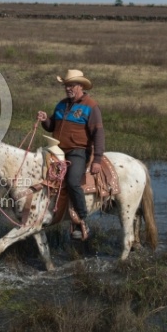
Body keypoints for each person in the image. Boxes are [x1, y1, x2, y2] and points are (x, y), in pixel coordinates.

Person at [37, 69, 105, 239]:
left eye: (71, 85)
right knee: (38, 173)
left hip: (78, 151)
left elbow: (98, 133)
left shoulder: (91, 106)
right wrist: (45, 120)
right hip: (57, 150)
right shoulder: (61, 104)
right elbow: (52, 126)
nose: (68, 88)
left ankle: (82, 219)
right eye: (66, 85)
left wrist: (97, 159)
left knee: (73, 181)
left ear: (80, 86)